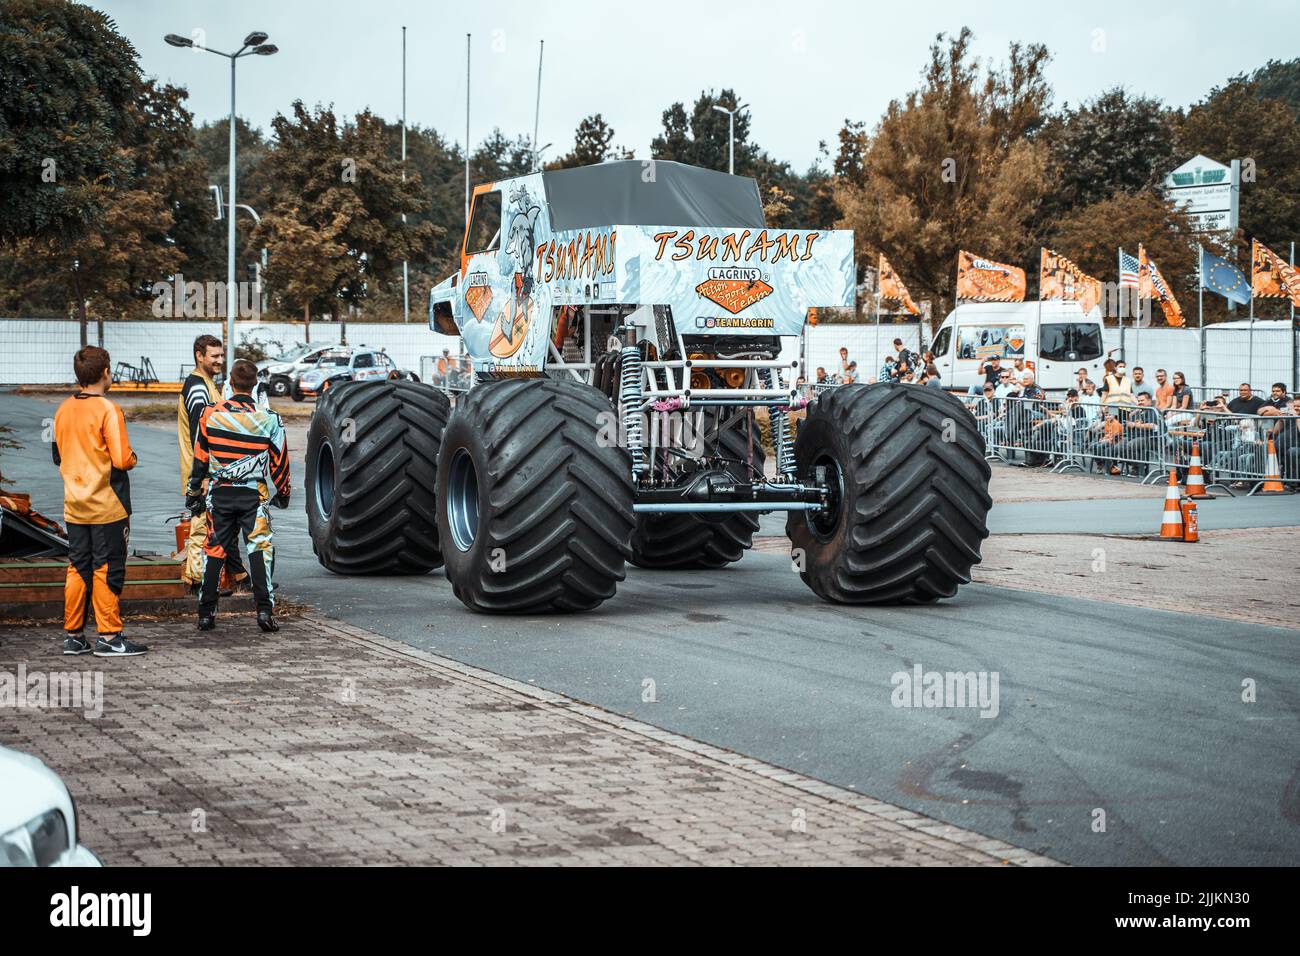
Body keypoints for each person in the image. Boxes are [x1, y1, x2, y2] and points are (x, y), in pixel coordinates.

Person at [52, 347, 146, 658]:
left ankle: (74, 636)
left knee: (78, 566)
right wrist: (133, 459)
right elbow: (121, 458)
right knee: (107, 568)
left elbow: (57, 455)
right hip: (108, 505)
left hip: (74, 504)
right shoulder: (108, 409)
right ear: (106, 371)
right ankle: (109, 636)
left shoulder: (63, 408)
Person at [187, 359, 292, 633]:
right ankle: (264, 612)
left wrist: (193, 491)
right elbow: (280, 460)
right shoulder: (269, 418)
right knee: (259, 549)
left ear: (230, 384)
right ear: (255, 384)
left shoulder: (209, 415)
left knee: (214, 548)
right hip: (253, 494)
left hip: (219, 492)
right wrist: (283, 492)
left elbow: (199, 457)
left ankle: (206, 614)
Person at [178, 334, 245, 593]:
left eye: (221, 355)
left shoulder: (208, 384)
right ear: (199, 355)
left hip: (209, 471)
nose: (220, 361)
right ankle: (196, 584)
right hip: (201, 472)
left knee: (217, 525)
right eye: (214, 356)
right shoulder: (197, 388)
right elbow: (199, 435)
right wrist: (202, 476)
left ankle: (231, 577)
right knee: (200, 527)